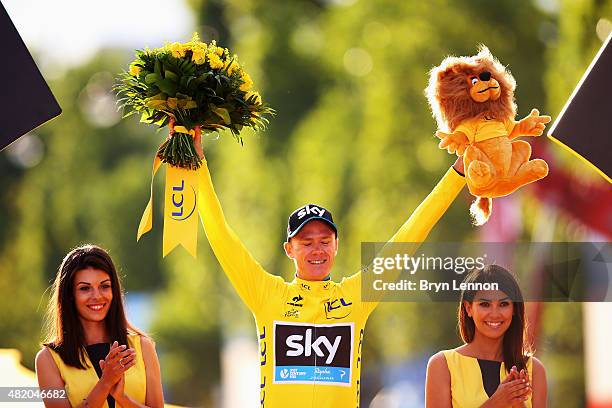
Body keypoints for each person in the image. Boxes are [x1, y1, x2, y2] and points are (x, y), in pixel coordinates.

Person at [192, 124, 466, 407]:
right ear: (289, 249)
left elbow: (410, 235)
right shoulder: (266, 294)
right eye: (306, 242)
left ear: (337, 245)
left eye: (325, 241)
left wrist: (458, 173)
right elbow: (220, 234)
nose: (317, 250)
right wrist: (197, 162)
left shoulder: (355, 295)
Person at [35, 245, 164, 408]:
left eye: (104, 286)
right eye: (85, 288)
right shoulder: (48, 360)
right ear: (69, 295)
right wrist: (105, 383)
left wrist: (122, 398)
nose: (97, 296)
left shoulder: (143, 347)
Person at [425, 265, 547, 408]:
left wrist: (518, 403)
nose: (494, 314)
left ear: (514, 308)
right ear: (468, 308)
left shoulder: (534, 369)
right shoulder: (442, 365)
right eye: (485, 304)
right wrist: (497, 402)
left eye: (503, 304)